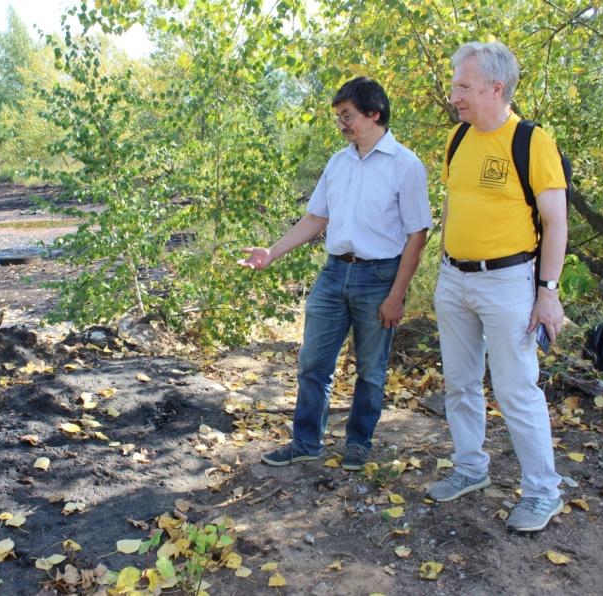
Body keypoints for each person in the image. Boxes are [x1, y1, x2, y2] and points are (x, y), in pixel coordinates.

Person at [239, 77, 431, 471]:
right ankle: (306, 441)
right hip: (332, 275)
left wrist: (397, 294)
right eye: (338, 117)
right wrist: (272, 252)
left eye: (348, 115)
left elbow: (418, 234)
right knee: (313, 363)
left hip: (380, 277)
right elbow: (316, 217)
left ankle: (358, 443)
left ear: (373, 114)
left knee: (372, 370)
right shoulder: (338, 162)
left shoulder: (406, 165)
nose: (342, 124)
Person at [427, 41, 567, 532]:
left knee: (516, 389)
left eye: (463, 86)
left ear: (495, 87)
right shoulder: (458, 139)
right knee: (460, 384)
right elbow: (453, 204)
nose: (454, 96)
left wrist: (547, 291)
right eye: (455, 85)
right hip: (454, 279)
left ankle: (542, 492)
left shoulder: (531, 141)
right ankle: (469, 469)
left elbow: (555, 222)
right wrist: (445, 266)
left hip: (509, 282)